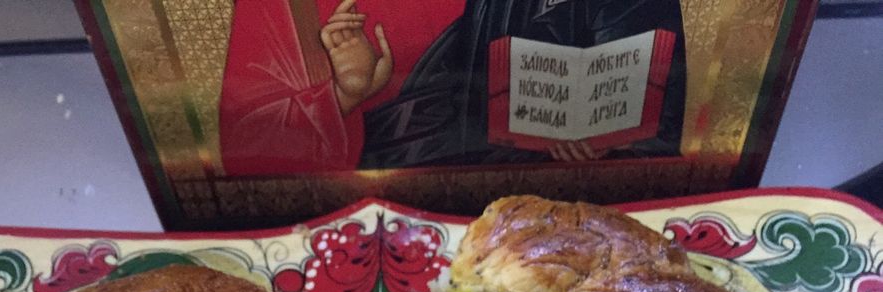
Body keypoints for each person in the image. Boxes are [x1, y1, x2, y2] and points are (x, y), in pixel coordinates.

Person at [219, 0, 685, 176]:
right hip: (459, 177)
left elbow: (656, 104)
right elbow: (466, 88)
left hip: (577, 198)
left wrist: (604, 139)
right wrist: (346, 92)